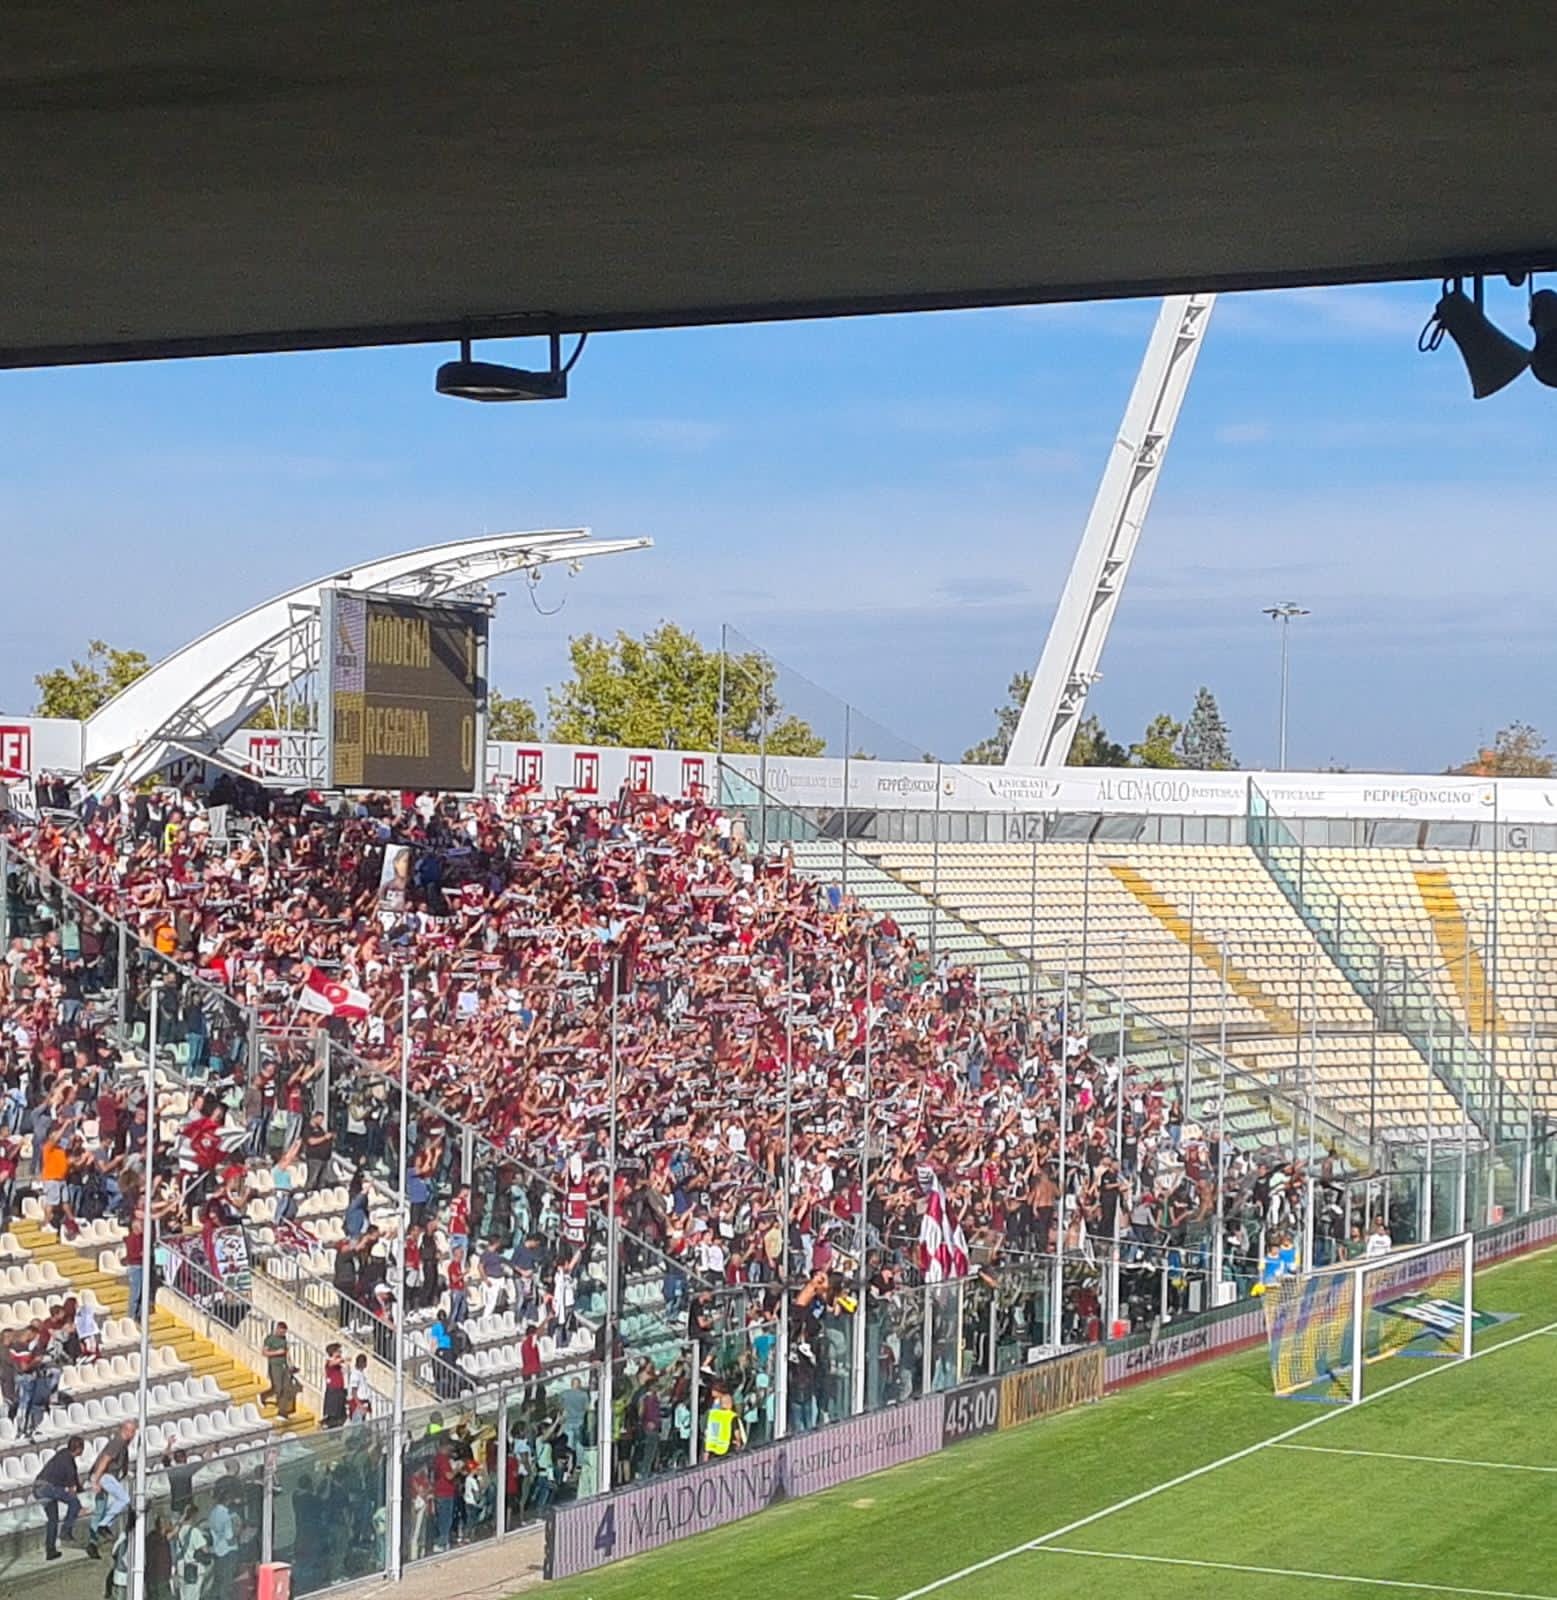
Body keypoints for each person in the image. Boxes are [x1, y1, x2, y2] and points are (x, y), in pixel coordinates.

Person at [86, 1420, 136, 1558]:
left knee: (100, 1509)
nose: (134, 1435)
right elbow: (105, 1460)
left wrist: (124, 1473)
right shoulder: (117, 1442)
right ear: (127, 1431)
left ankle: (93, 1541)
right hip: (103, 1476)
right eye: (133, 1432)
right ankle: (102, 1526)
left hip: (106, 1476)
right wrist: (96, 1479)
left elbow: (121, 1463)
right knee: (124, 1499)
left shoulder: (123, 1444)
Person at [33, 1434, 85, 1560]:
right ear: (78, 1450)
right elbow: (72, 1489)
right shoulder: (67, 1461)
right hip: (47, 1488)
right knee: (74, 1502)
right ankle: (66, 1532)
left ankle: (50, 1551)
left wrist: (79, 1487)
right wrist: (80, 1506)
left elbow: (74, 1475)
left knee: (53, 1520)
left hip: (39, 1488)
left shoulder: (64, 1454)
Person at [261, 1323, 298, 1418]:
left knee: (286, 1388)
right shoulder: (270, 1339)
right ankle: (264, 1396)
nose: (283, 1333)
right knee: (278, 1387)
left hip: (284, 1366)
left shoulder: (284, 1339)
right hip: (274, 1366)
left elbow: (287, 1353)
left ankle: (282, 1411)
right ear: (277, 1329)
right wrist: (276, 1353)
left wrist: (291, 1365)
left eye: (284, 1332)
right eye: (281, 1331)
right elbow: (264, 1352)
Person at [321, 1342, 348, 1427]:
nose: (340, 1353)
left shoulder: (339, 1365)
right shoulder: (329, 1362)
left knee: (340, 1413)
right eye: (338, 1351)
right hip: (333, 1391)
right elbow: (333, 1363)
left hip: (340, 1390)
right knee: (333, 1414)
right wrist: (342, 1359)